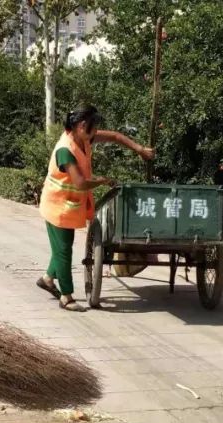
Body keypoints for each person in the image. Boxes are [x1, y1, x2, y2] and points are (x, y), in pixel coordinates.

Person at [36, 105, 154, 311]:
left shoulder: (84, 138)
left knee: (61, 246)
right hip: (57, 206)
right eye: (93, 126)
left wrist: (139, 149)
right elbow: (80, 182)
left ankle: (47, 279)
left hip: (69, 204)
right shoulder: (65, 150)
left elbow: (115, 136)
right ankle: (67, 297)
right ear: (82, 125)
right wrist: (101, 180)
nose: (95, 131)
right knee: (63, 249)